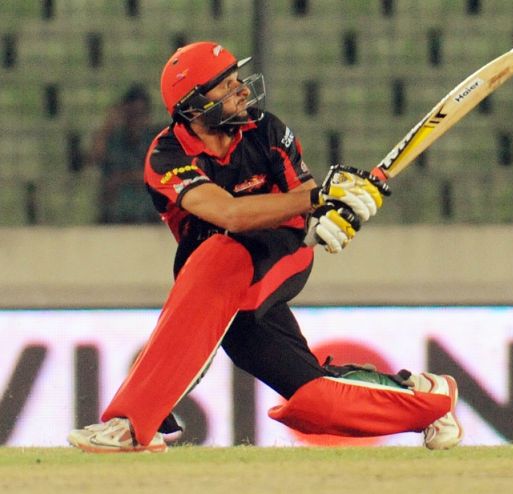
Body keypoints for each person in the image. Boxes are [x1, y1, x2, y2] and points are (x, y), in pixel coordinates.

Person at [67, 41, 462, 453]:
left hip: (282, 250)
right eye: (225, 86)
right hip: (217, 277)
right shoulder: (166, 156)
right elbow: (230, 214)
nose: (241, 90)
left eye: (237, 79)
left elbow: (308, 197)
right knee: (316, 399)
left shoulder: (266, 130)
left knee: (219, 259)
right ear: (193, 105)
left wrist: (336, 213)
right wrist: (320, 198)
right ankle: (428, 401)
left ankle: (132, 425)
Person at [88, 83, 161, 223]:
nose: (136, 120)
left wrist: (121, 178)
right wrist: (107, 126)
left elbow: (156, 175)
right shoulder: (114, 139)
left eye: (140, 114)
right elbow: (93, 159)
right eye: (131, 114)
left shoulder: (155, 140)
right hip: (115, 215)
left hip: (148, 216)